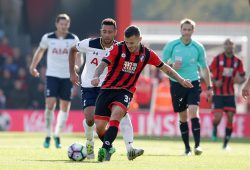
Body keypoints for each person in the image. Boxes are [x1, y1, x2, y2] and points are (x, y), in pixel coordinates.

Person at [91, 25, 193, 162]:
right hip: (107, 89)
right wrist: (96, 76)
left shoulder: (147, 54)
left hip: (125, 91)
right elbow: (102, 65)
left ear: (140, 39)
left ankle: (105, 147)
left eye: (132, 43)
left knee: (117, 114)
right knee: (99, 127)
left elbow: (165, 68)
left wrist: (180, 80)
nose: (129, 46)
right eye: (127, 42)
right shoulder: (117, 48)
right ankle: (110, 146)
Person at [69, 18, 143, 160]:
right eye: (104, 32)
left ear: (115, 32)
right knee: (90, 119)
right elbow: (72, 49)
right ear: (101, 32)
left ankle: (128, 148)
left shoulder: (121, 47)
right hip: (89, 85)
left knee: (121, 114)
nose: (107, 35)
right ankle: (90, 142)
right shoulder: (89, 43)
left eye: (110, 32)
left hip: (109, 87)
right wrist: (73, 72)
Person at [162, 18, 213, 156]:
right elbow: (161, 64)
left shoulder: (198, 47)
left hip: (193, 83)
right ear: (181, 30)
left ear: (193, 31)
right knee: (183, 116)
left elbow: (204, 68)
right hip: (176, 83)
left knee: (193, 111)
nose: (187, 32)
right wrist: (172, 66)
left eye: (189, 30)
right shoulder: (171, 45)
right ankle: (187, 148)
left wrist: (209, 87)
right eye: (184, 29)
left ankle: (197, 146)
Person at [29, 14, 79, 148]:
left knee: (64, 107)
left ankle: (57, 134)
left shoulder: (73, 39)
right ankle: (47, 135)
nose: (64, 26)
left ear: (68, 25)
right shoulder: (48, 38)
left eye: (66, 24)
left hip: (67, 76)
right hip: (52, 75)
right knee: (50, 104)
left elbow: (78, 55)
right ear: (56, 24)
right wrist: (33, 66)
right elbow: (39, 52)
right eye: (61, 23)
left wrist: (77, 67)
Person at [210, 38, 245, 149]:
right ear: (224, 46)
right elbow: (208, 72)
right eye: (227, 44)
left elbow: (243, 75)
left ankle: (226, 144)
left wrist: (240, 80)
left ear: (233, 47)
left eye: (231, 44)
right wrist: (215, 82)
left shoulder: (238, 61)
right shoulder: (217, 59)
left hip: (230, 94)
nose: (229, 46)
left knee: (230, 117)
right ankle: (215, 127)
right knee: (218, 118)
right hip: (218, 94)